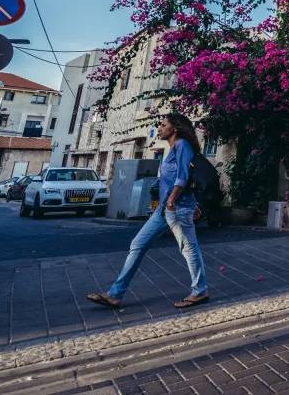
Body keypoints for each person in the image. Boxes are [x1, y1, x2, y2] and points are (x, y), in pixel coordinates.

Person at [86, 113, 209, 309]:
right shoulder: (171, 150)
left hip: (177, 207)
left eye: (163, 125)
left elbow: (182, 177)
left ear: (174, 128)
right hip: (164, 208)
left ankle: (200, 291)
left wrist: (171, 200)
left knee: (188, 249)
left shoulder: (182, 145)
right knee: (138, 244)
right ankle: (115, 294)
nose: (159, 128)